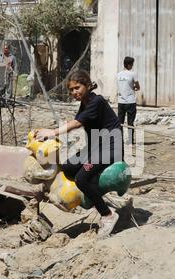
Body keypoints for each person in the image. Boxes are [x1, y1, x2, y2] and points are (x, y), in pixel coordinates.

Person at [35, 70, 123, 239]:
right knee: (67, 167)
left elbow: (76, 123)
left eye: (77, 87)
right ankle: (88, 196)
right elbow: (75, 122)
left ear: (87, 86)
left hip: (109, 149)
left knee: (82, 179)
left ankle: (107, 215)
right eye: (71, 90)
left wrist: (52, 132)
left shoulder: (96, 102)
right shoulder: (85, 102)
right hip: (96, 147)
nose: (74, 92)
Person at [117, 57, 140, 145]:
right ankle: (130, 141)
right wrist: (134, 87)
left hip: (121, 102)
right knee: (130, 122)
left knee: (120, 123)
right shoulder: (133, 74)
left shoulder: (118, 74)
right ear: (129, 64)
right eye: (132, 64)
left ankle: (120, 140)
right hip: (130, 101)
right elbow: (138, 86)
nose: (133, 66)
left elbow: (122, 87)